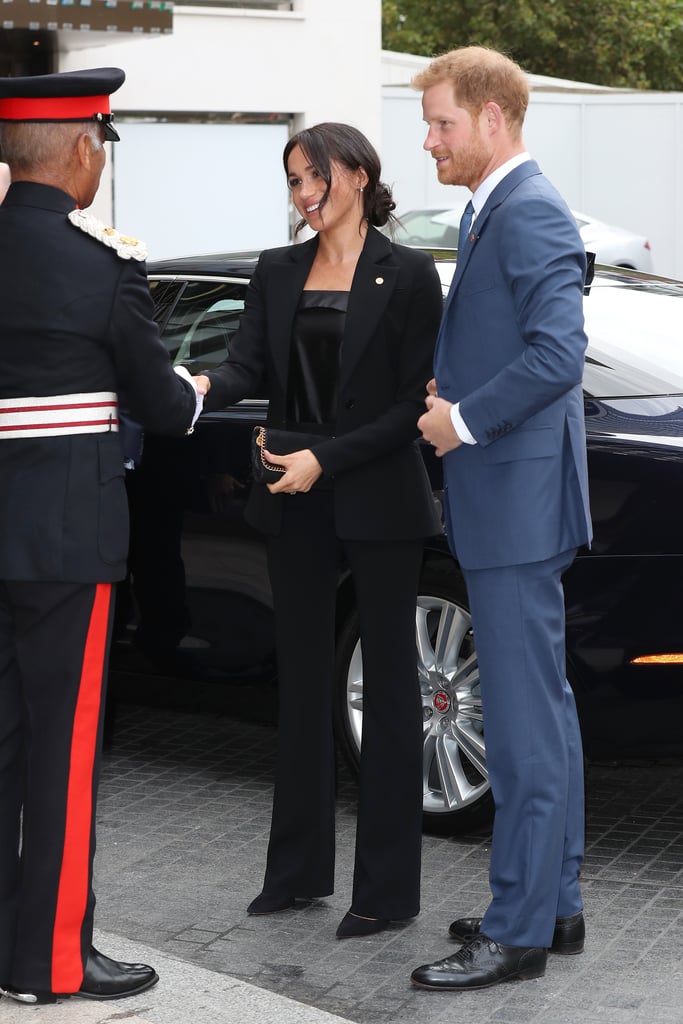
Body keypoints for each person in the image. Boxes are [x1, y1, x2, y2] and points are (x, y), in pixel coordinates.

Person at [194, 122, 443, 938]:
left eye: (315, 179)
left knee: (392, 693)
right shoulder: (277, 270)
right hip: (289, 492)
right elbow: (246, 369)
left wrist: (323, 462)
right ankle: (296, 874)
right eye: (293, 182)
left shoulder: (407, 274)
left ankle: (385, 892)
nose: (303, 197)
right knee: (300, 684)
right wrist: (197, 384)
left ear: (360, 174)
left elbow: (412, 405)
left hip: (373, 495)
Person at [0, 67, 201, 1004]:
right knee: (64, 757)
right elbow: (160, 405)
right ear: (83, 148)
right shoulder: (101, 264)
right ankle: (50, 963)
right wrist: (197, 393)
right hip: (68, 546)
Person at [410, 47, 593, 991]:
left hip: (514, 501)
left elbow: (560, 356)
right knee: (543, 714)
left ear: (492, 118)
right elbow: (519, 345)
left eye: (442, 123)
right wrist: (462, 390)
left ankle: (514, 930)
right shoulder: (501, 211)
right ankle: (552, 905)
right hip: (512, 496)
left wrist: (461, 418)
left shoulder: (527, 210)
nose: (430, 140)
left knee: (521, 727)